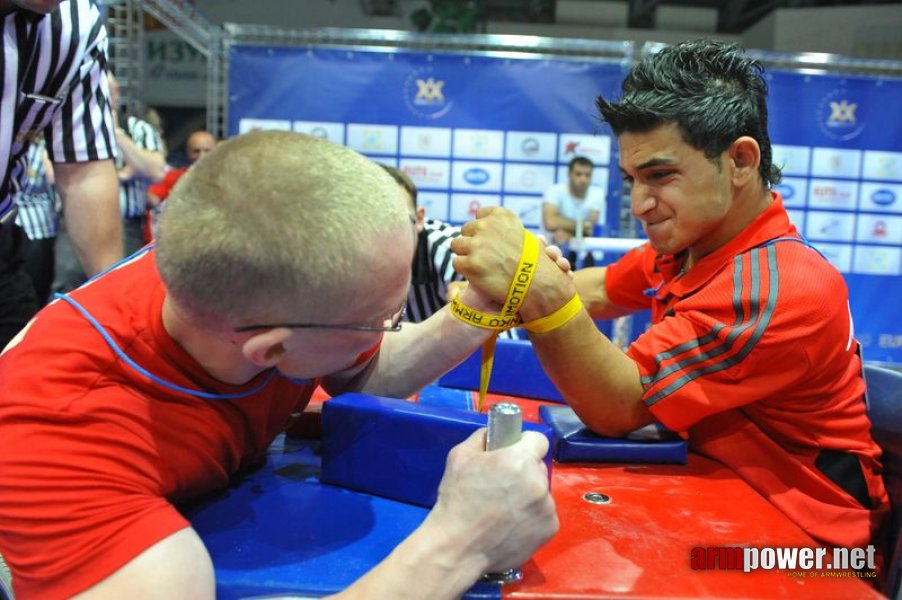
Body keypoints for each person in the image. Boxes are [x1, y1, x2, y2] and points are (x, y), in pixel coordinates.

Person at [0, 130, 557, 599]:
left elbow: (357, 369)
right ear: (270, 352)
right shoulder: (59, 428)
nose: (390, 327)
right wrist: (460, 542)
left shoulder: (243, 276)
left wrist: (479, 309)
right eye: (384, 317)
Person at [452, 40, 889, 554]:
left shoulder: (781, 287)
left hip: (817, 552)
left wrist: (534, 285)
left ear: (741, 161)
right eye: (632, 179)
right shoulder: (692, 246)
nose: (639, 204)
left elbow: (617, 406)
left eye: (660, 176)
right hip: (723, 504)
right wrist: (510, 279)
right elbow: (593, 291)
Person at [0, 0, 121, 349]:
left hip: (3, 248)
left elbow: (85, 170)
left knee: (18, 386)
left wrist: (115, 307)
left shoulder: (78, 23)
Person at [379, 164, 464, 322]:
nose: (382, 233)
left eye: (395, 220)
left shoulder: (454, 256)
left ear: (419, 219)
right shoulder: (341, 257)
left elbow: (499, 342)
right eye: (368, 221)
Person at [145, 129, 216, 242]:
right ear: (187, 152)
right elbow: (152, 199)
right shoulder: (174, 177)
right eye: (196, 151)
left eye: (207, 151)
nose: (202, 156)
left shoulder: (227, 179)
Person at [13, 136, 58, 305]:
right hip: (27, 227)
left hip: (39, 229)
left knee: (36, 289)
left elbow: (53, 177)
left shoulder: (41, 148)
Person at [542, 156, 605, 268]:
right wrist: (580, 227)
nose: (583, 179)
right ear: (569, 174)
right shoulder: (554, 191)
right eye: (578, 174)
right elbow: (550, 222)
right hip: (549, 255)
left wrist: (567, 235)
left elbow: (589, 228)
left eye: (587, 175)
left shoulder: (597, 194)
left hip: (583, 257)